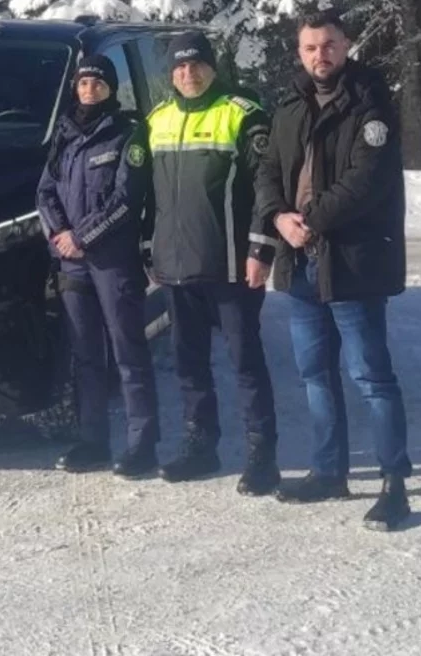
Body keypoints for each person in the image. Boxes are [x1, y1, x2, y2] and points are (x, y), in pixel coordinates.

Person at [249, 10, 412, 531]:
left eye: (330, 45)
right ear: (300, 53)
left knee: (371, 376)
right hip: (300, 264)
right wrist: (279, 220)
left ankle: (394, 484)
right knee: (315, 373)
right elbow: (269, 171)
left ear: (347, 45)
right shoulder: (291, 105)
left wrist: (308, 223)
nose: (322, 55)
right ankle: (328, 471)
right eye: (311, 47)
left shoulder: (371, 103)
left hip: (353, 263)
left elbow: (366, 183)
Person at [145, 30, 279, 494]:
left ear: (212, 66)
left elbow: (268, 188)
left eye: (197, 64)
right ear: (171, 73)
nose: (189, 73)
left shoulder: (241, 115)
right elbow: (150, 195)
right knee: (189, 364)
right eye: (180, 67)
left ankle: (263, 455)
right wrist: (150, 250)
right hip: (175, 268)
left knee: (245, 363)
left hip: (230, 268)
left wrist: (261, 249)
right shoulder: (158, 119)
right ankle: (200, 445)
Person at [36, 53, 158, 477]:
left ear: (111, 88)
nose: (90, 90)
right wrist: (59, 233)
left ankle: (142, 444)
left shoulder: (128, 134)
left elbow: (126, 201)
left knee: (128, 352)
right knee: (86, 356)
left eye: (98, 84)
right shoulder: (65, 134)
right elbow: (45, 191)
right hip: (73, 265)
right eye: (84, 83)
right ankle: (93, 442)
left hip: (113, 261)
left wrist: (81, 237)